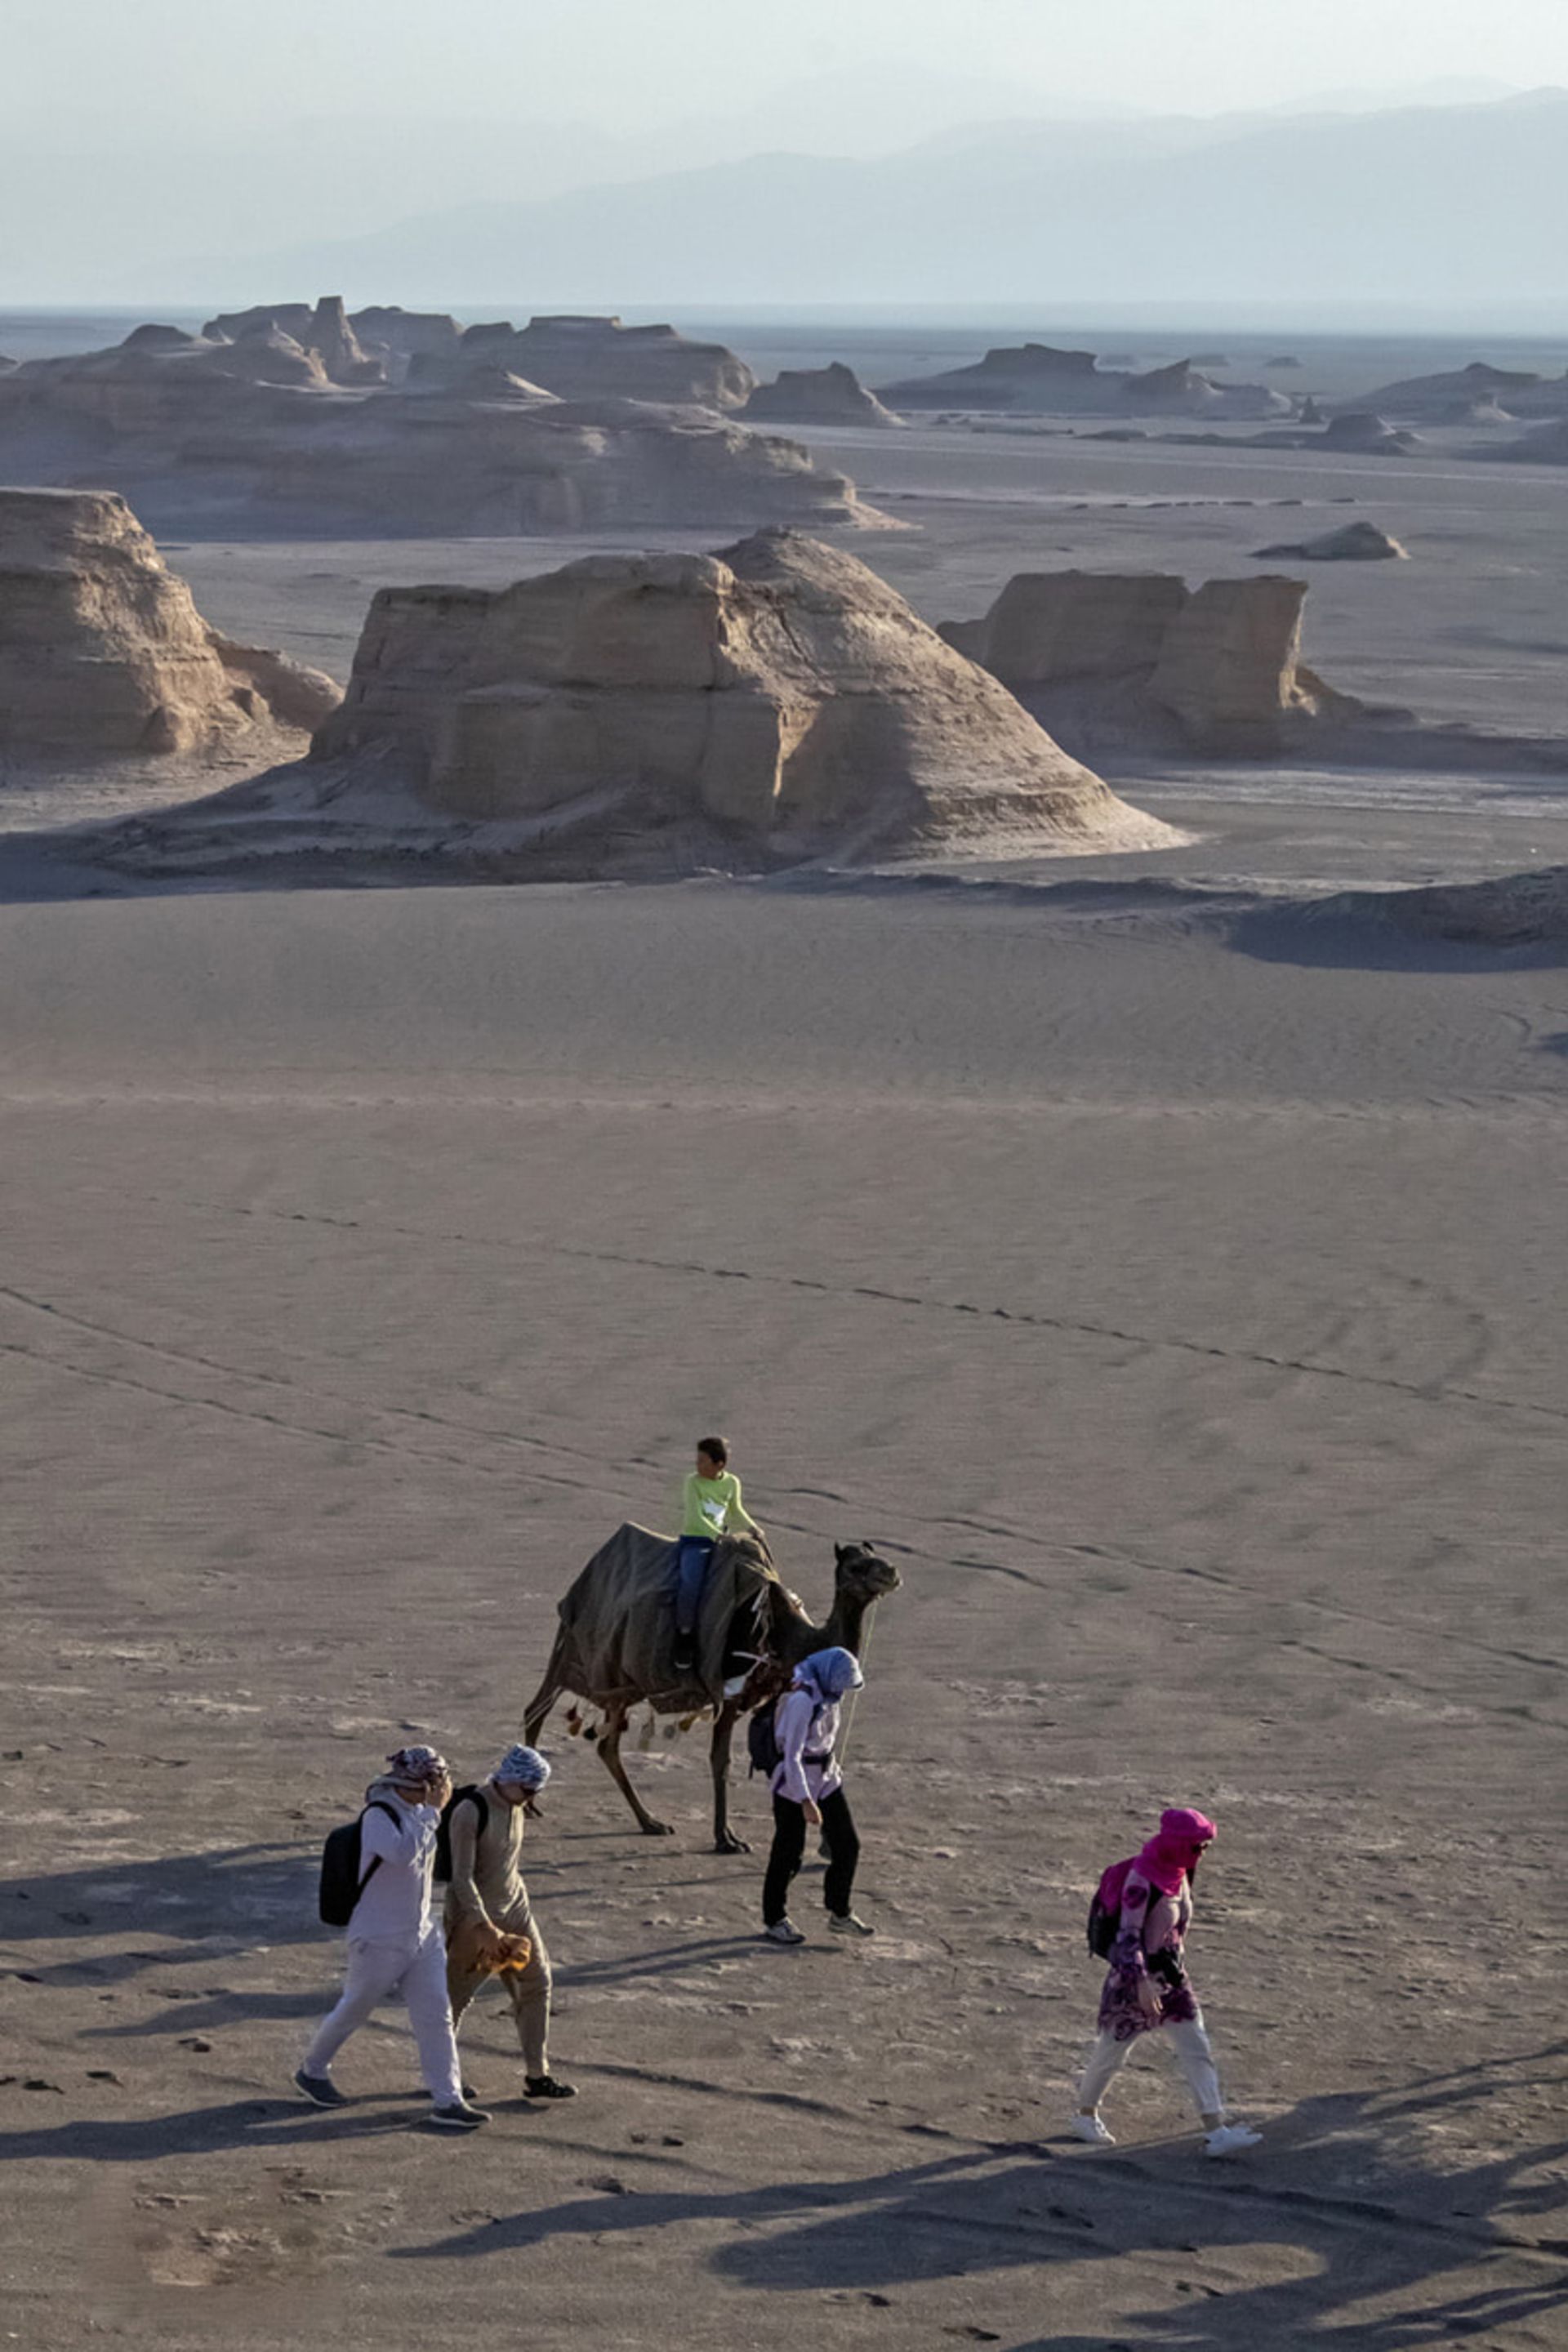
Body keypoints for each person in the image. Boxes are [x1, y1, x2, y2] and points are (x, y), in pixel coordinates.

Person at [297, 1746, 490, 2132]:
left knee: (437, 2015)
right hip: (378, 1937)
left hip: (421, 1935)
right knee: (355, 2007)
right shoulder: (378, 1815)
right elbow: (401, 1854)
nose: (437, 1790)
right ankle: (312, 2071)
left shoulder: (422, 1814)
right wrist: (434, 1813)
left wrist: (434, 1813)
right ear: (411, 1783)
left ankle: (447, 2100)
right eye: (431, 1783)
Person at [1071, 1806, 1260, 2157]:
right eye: (1196, 1846)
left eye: (1204, 1846)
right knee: (1113, 2051)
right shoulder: (1142, 1881)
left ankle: (1215, 2130)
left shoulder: (1179, 1870)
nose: (1202, 1853)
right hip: (1135, 1982)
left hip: (1172, 1979)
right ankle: (1085, 2114)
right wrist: (1140, 1983)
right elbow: (1128, 1936)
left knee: (1196, 2047)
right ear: (1176, 1843)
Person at [444, 1743, 577, 2103]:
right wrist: (483, 1925)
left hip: (517, 1910)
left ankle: (538, 2075)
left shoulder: (518, 1804)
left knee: (538, 1983)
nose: (532, 1798)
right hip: (476, 1922)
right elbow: (461, 1878)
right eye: (529, 1790)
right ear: (509, 1779)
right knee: (455, 2001)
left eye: (538, 1792)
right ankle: (443, 2079)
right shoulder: (471, 1812)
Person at [760, 1646, 872, 1944]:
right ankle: (774, 1918)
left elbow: (826, 1742)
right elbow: (792, 1756)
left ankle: (840, 1912)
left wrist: (830, 1778)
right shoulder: (802, 1701)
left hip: (826, 1780)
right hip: (794, 1787)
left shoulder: (830, 1698)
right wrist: (806, 1801)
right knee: (788, 1853)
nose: (844, 1691)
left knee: (847, 1845)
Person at [672, 1435, 763, 1673]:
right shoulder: (693, 1483)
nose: (697, 1465)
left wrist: (752, 1528)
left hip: (724, 1542)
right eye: (697, 1460)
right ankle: (684, 1636)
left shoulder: (732, 1483)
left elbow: (736, 1510)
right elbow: (696, 1516)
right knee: (691, 1583)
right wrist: (719, 1537)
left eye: (702, 1461)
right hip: (696, 1542)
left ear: (719, 1465)